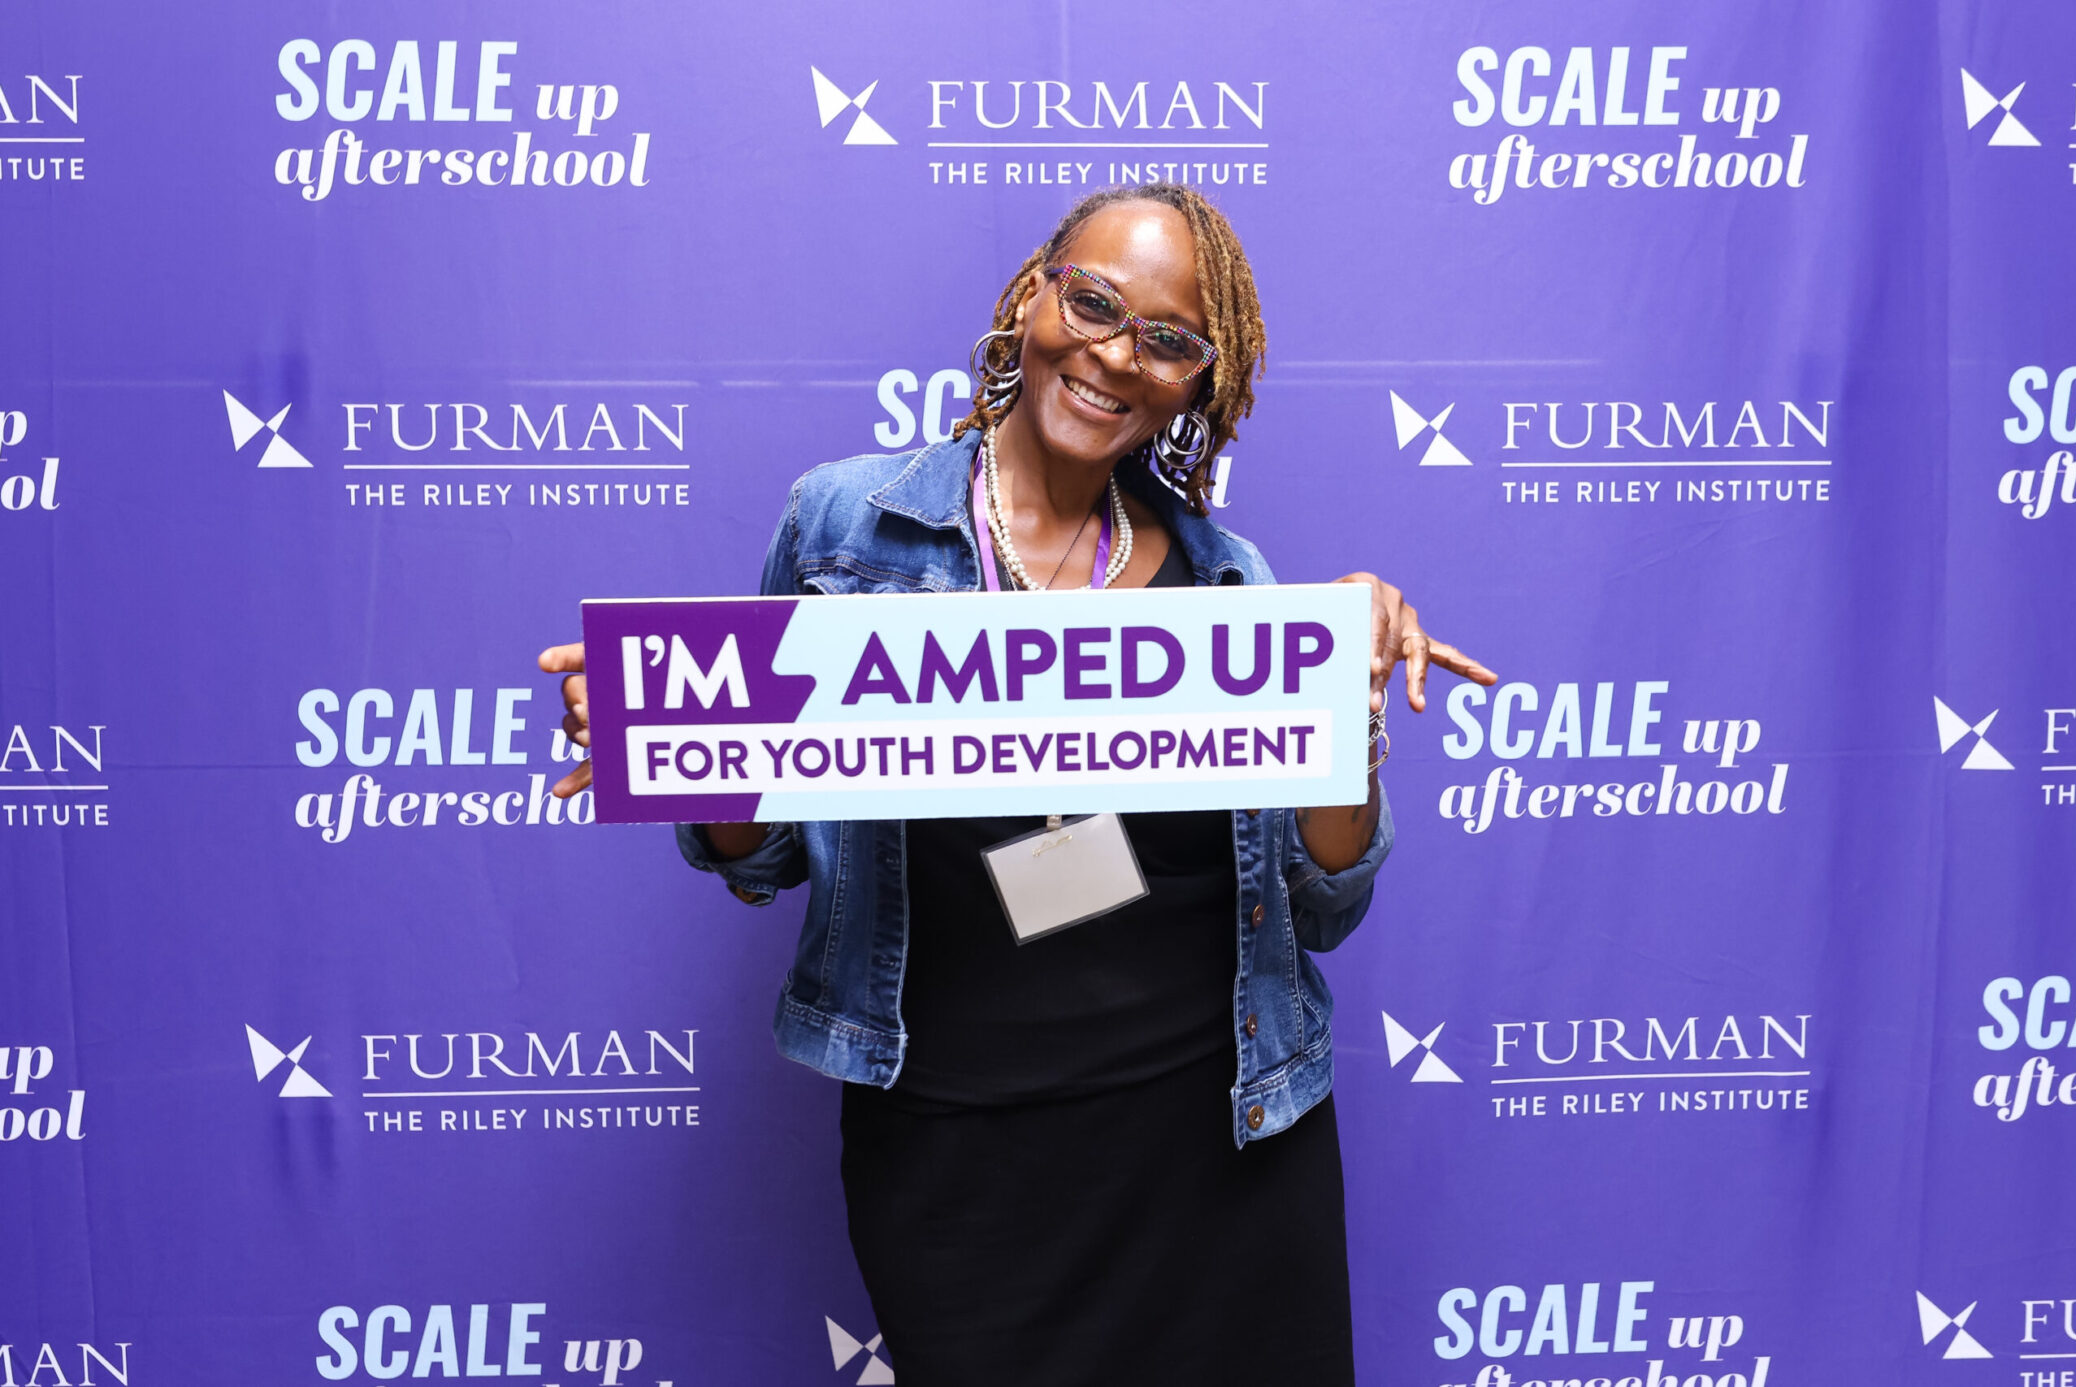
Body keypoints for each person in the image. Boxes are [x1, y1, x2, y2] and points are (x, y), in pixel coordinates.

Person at [539, 184, 1493, 1387]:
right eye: (1091, 302)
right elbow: (760, 857)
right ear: (1029, 296)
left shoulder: (1232, 594)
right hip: (956, 1153)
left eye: (1168, 339)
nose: (1113, 355)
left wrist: (1347, 721)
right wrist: (680, 738)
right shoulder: (845, 526)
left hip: (1223, 1143)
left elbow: (1328, 903)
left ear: (1202, 380)